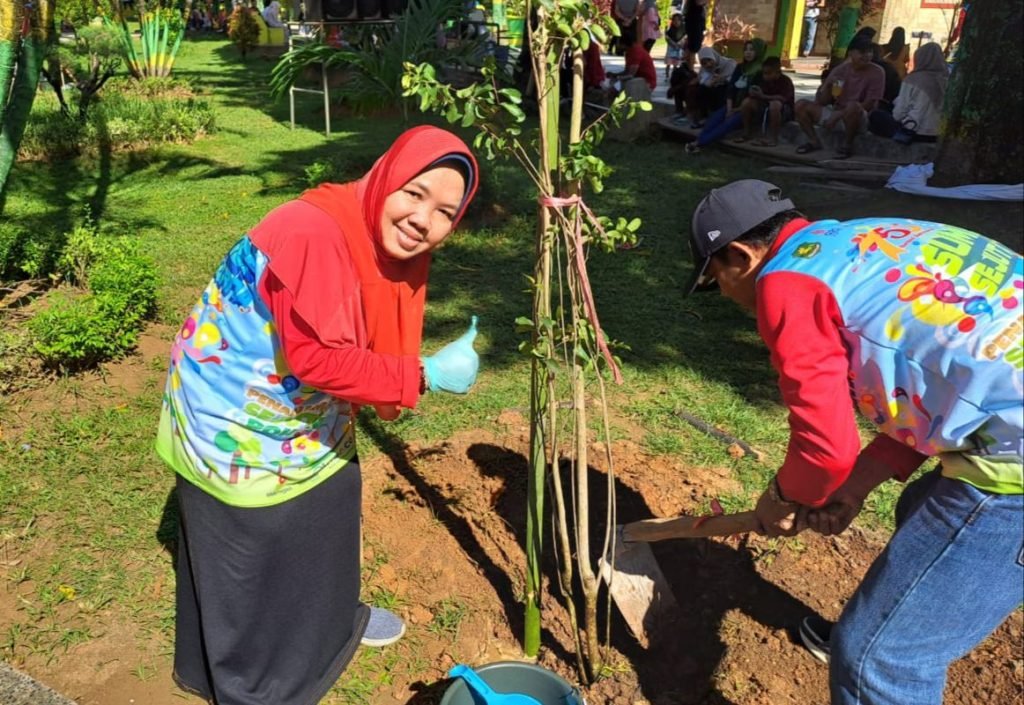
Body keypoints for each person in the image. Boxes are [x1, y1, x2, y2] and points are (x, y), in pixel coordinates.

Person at [157, 126, 482, 705]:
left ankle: (329, 631)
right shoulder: (315, 232)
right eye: (415, 193)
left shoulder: (369, 234)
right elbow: (317, 359)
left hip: (296, 406)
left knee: (331, 499)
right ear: (387, 177)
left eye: (445, 212)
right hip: (234, 414)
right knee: (253, 545)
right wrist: (424, 374)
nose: (423, 220)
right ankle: (250, 680)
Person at [675, 178, 1023, 705]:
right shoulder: (867, 240)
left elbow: (825, 445)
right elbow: (946, 387)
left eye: (714, 280)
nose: (723, 295)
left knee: (878, 660)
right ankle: (896, 613)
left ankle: (887, 637)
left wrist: (783, 497)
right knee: (919, 505)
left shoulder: (786, 283)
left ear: (740, 255)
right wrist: (855, 486)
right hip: (1006, 417)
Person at [794, 35, 884, 158]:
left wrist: (839, 114)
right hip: (836, 112)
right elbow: (822, 101)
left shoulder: (877, 72)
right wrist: (828, 86)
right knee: (800, 105)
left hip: (860, 117)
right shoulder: (841, 70)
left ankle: (847, 145)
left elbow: (869, 104)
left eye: (870, 52)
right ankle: (813, 141)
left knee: (853, 106)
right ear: (851, 53)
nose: (867, 55)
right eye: (862, 52)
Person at [685, 38, 766, 154]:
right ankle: (698, 141)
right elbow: (731, 88)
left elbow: (754, 96)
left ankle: (696, 144)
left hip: (747, 108)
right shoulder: (740, 67)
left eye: (752, 50)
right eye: (746, 50)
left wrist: (735, 110)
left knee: (725, 126)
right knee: (712, 122)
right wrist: (729, 108)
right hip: (732, 105)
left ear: (758, 51)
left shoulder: (762, 71)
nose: (748, 52)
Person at [868, 41, 947, 143]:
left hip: (913, 132)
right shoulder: (948, 80)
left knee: (876, 115)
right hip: (938, 135)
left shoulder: (913, 79)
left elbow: (898, 114)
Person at [737, 55, 795, 146]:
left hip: (783, 111)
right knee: (746, 103)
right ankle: (746, 133)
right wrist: (753, 92)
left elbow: (782, 98)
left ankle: (773, 139)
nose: (765, 76)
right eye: (764, 73)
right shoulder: (760, 77)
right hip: (764, 107)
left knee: (775, 105)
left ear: (777, 72)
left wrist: (763, 96)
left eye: (768, 73)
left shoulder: (785, 81)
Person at [683, 46, 736, 128]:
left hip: (727, 90)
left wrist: (721, 79)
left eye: (709, 60)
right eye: (704, 63)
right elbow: (702, 79)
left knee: (719, 90)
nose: (708, 64)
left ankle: (717, 118)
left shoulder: (729, 64)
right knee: (700, 89)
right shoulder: (705, 69)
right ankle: (703, 117)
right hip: (712, 89)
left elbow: (733, 79)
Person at [609, 27, 658, 97]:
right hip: (637, 80)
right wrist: (614, 75)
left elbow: (630, 75)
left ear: (623, 43)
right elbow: (627, 71)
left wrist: (617, 78)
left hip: (646, 83)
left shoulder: (635, 51)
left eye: (618, 43)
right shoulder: (629, 52)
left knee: (614, 89)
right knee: (614, 85)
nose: (617, 45)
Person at [664, 11, 686, 80]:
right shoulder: (670, 30)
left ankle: (674, 75)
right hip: (671, 49)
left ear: (681, 21)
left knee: (676, 63)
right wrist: (672, 43)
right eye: (674, 20)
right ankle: (667, 75)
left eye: (678, 20)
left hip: (679, 48)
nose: (676, 22)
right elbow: (667, 38)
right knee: (668, 63)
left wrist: (680, 43)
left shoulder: (683, 30)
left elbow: (685, 38)